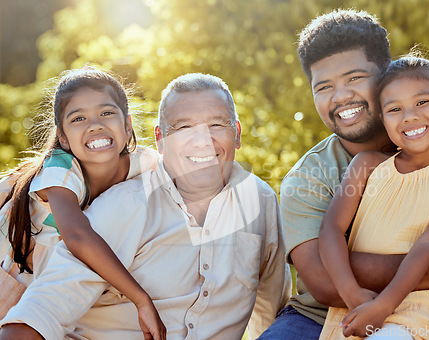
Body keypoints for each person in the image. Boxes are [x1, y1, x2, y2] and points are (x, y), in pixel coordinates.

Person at [258, 9, 429, 339]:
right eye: (323, 86)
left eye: (355, 78)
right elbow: (325, 284)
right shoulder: (310, 177)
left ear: (386, 76)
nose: (341, 96)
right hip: (322, 314)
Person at [0, 73, 290, 339]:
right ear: (161, 140)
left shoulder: (260, 201)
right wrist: (140, 298)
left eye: (216, 124)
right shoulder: (114, 201)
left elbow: (270, 309)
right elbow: (38, 313)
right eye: (184, 127)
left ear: (237, 133)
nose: (202, 141)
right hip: (15, 265)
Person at [319, 56, 429, 339]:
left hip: (425, 305)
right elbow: (331, 229)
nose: (409, 116)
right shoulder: (366, 165)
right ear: (383, 119)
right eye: (395, 108)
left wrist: (383, 306)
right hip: (361, 301)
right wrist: (353, 294)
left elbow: (427, 247)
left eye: (422, 102)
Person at [0, 67, 165, 339]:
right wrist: (140, 298)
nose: (95, 124)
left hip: (51, 289)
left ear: (128, 125)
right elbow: (77, 235)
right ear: (62, 136)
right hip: (16, 269)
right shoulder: (60, 169)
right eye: (78, 118)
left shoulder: (147, 164)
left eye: (107, 112)